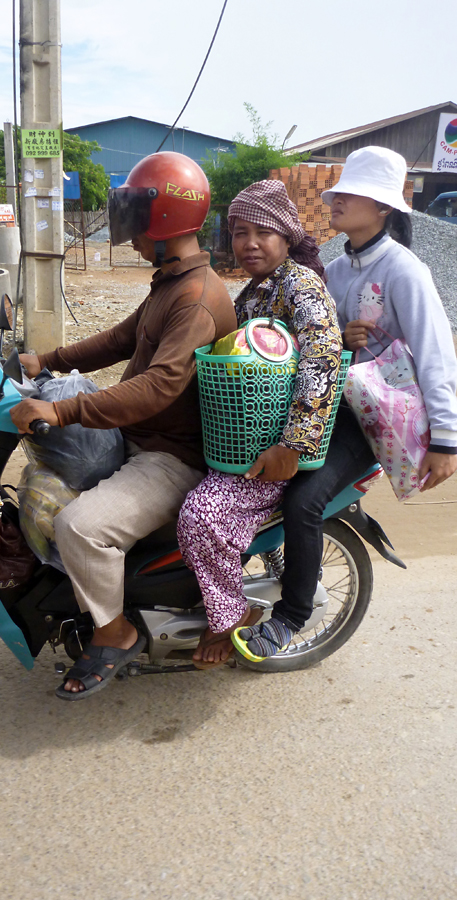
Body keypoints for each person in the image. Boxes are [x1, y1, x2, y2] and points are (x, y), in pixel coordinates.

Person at [9, 151, 237, 700]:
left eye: (137, 219)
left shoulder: (196, 299)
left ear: (162, 221)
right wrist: (52, 360)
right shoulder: (171, 283)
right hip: (138, 439)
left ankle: (116, 630)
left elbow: (159, 386)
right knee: (48, 475)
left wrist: (61, 409)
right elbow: (119, 340)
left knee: (79, 526)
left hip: (170, 457)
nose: (130, 234)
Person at [251, 146, 457, 662]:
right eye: (339, 190)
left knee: (303, 500)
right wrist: (340, 338)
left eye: (351, 193)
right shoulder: (334, 268)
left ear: (383, 207)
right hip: (318, 408)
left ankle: (292, 614)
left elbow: (436, 356)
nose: (337, 199)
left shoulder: (406, 272)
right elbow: (312, 338)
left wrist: (447, 440)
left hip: (367, 423)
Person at [176, 180, 343, 667]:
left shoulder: (300, 285)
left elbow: (323, 357)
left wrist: (292, 445)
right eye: (239, 232)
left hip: (272, 455)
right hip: (240, 443)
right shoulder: (252, 293)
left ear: (287, 237)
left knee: (201, 518)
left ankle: (230, 618)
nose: (249, 243)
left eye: (262, 232)